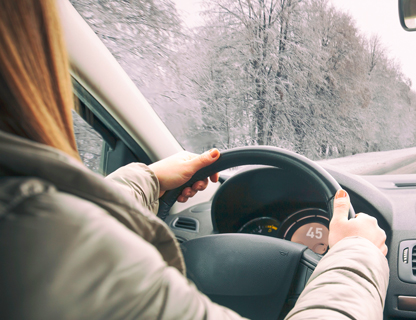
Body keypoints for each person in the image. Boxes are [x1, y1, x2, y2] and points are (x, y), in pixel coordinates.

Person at [0, 1, 389, 319]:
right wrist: (357, 255)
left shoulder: (32, 230)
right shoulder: (49, 237)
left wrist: (149, 178)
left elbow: (77, 223)